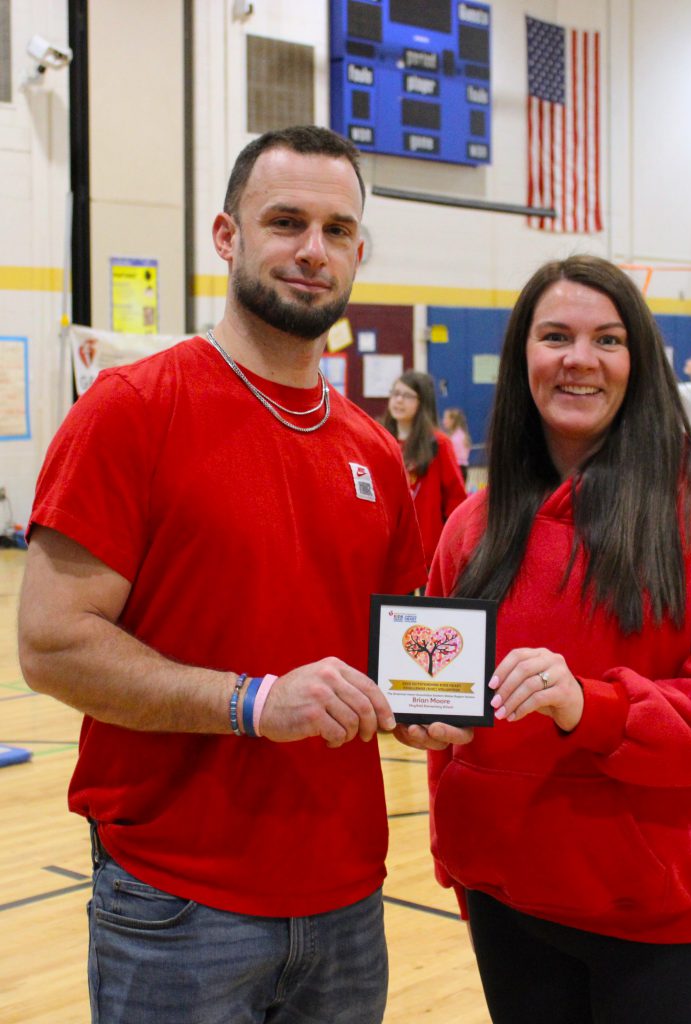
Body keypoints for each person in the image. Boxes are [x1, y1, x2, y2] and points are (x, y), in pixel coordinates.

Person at [17, 125, 471, 1024]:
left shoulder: (375, 454)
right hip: (178, 903)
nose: (312, 251)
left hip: (347, 898)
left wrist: (427, 705)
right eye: (286, 222)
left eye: (338, 231)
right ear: (228, 237)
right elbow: (51, 645)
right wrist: (253, 703)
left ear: (358, 253)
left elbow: (387, 653)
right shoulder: (133, 411)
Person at [426, 255, 691, 1024]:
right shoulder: (472, 528)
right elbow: (442, 707)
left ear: (639, 361)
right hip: (510, 904)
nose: (579, 360)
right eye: (554, 335)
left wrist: (588, 708)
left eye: (608, 339)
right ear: (522, 355)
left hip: (675, 922)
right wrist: (424, 718)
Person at [383, 370, 467, 571]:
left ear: (422, 402)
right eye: (395, 393)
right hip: (390, 552)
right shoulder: (380, 439)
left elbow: (456, 500)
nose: (399, 400)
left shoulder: (438, 443)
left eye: (407, 395)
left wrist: (453, 547)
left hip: (427, 554)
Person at [441, 407, 472, 483]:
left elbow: (451, 457)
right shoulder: (461, 434)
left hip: (456, 469)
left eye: (445, 418)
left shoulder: (454, 438)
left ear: (452, 421)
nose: (443, 421)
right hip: (462, 469)